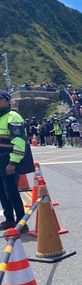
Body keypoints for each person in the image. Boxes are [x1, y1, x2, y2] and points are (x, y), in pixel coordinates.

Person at [0, 90, 28, 232]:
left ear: (8, 101)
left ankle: (21, 221)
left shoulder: (13, 117)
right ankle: (9, 220)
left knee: (11, 193)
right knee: (2, 195)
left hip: (8, 162)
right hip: (0, 162)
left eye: (0, 99)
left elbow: (19, 142)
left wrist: (13, 163)